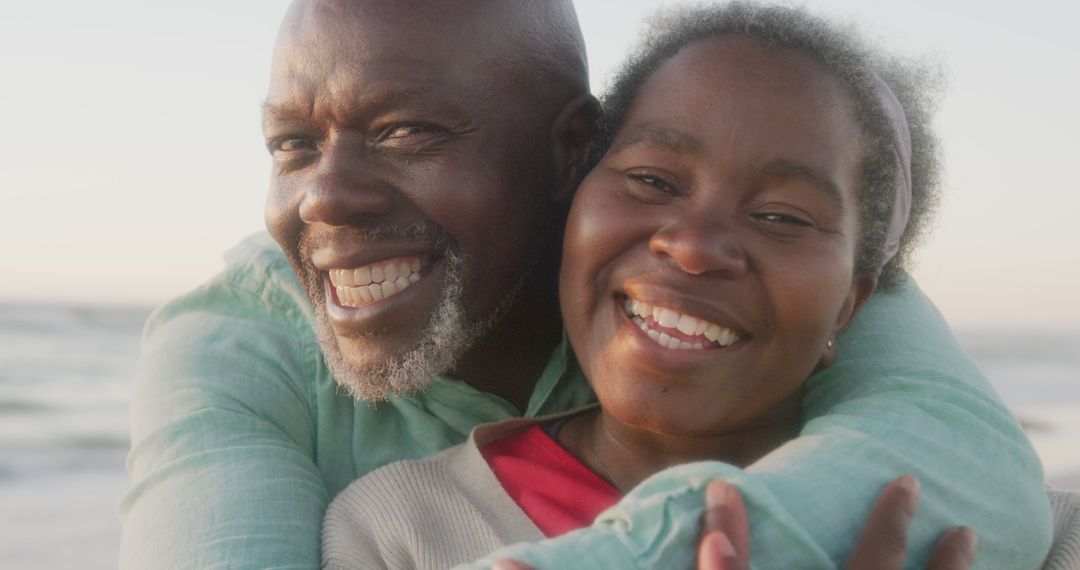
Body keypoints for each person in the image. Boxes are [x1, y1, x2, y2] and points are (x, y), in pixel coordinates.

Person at [118, 1, 1051, 568]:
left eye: (409, 131)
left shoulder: (761, 275)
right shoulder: (252, 365)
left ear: (571, 151)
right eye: (291, 145)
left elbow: (967, 464)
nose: (325, 196)